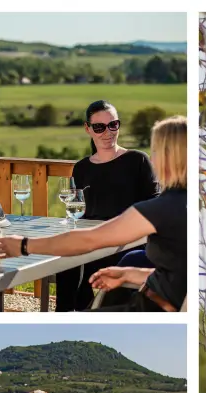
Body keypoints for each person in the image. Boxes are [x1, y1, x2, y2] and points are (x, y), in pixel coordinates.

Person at [0, 116, 187, 313]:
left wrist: (23, 245)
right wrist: (130, 274)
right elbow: (179, 277)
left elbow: (89, 239)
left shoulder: (161, 209)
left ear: (170, 157)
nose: (152, 159)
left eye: (155, 152)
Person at [54, 100, 159, 311]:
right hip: (94, 243)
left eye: (113, 125)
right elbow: (79, 212)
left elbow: (155, 209)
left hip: (130, 246)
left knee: (74, 262)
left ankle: (87, 314)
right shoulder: (82, 168)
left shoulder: (137, 161)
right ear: (88, 129)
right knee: (66, 261)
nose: (107, 132)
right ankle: (69, 315)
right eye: (99, 127)